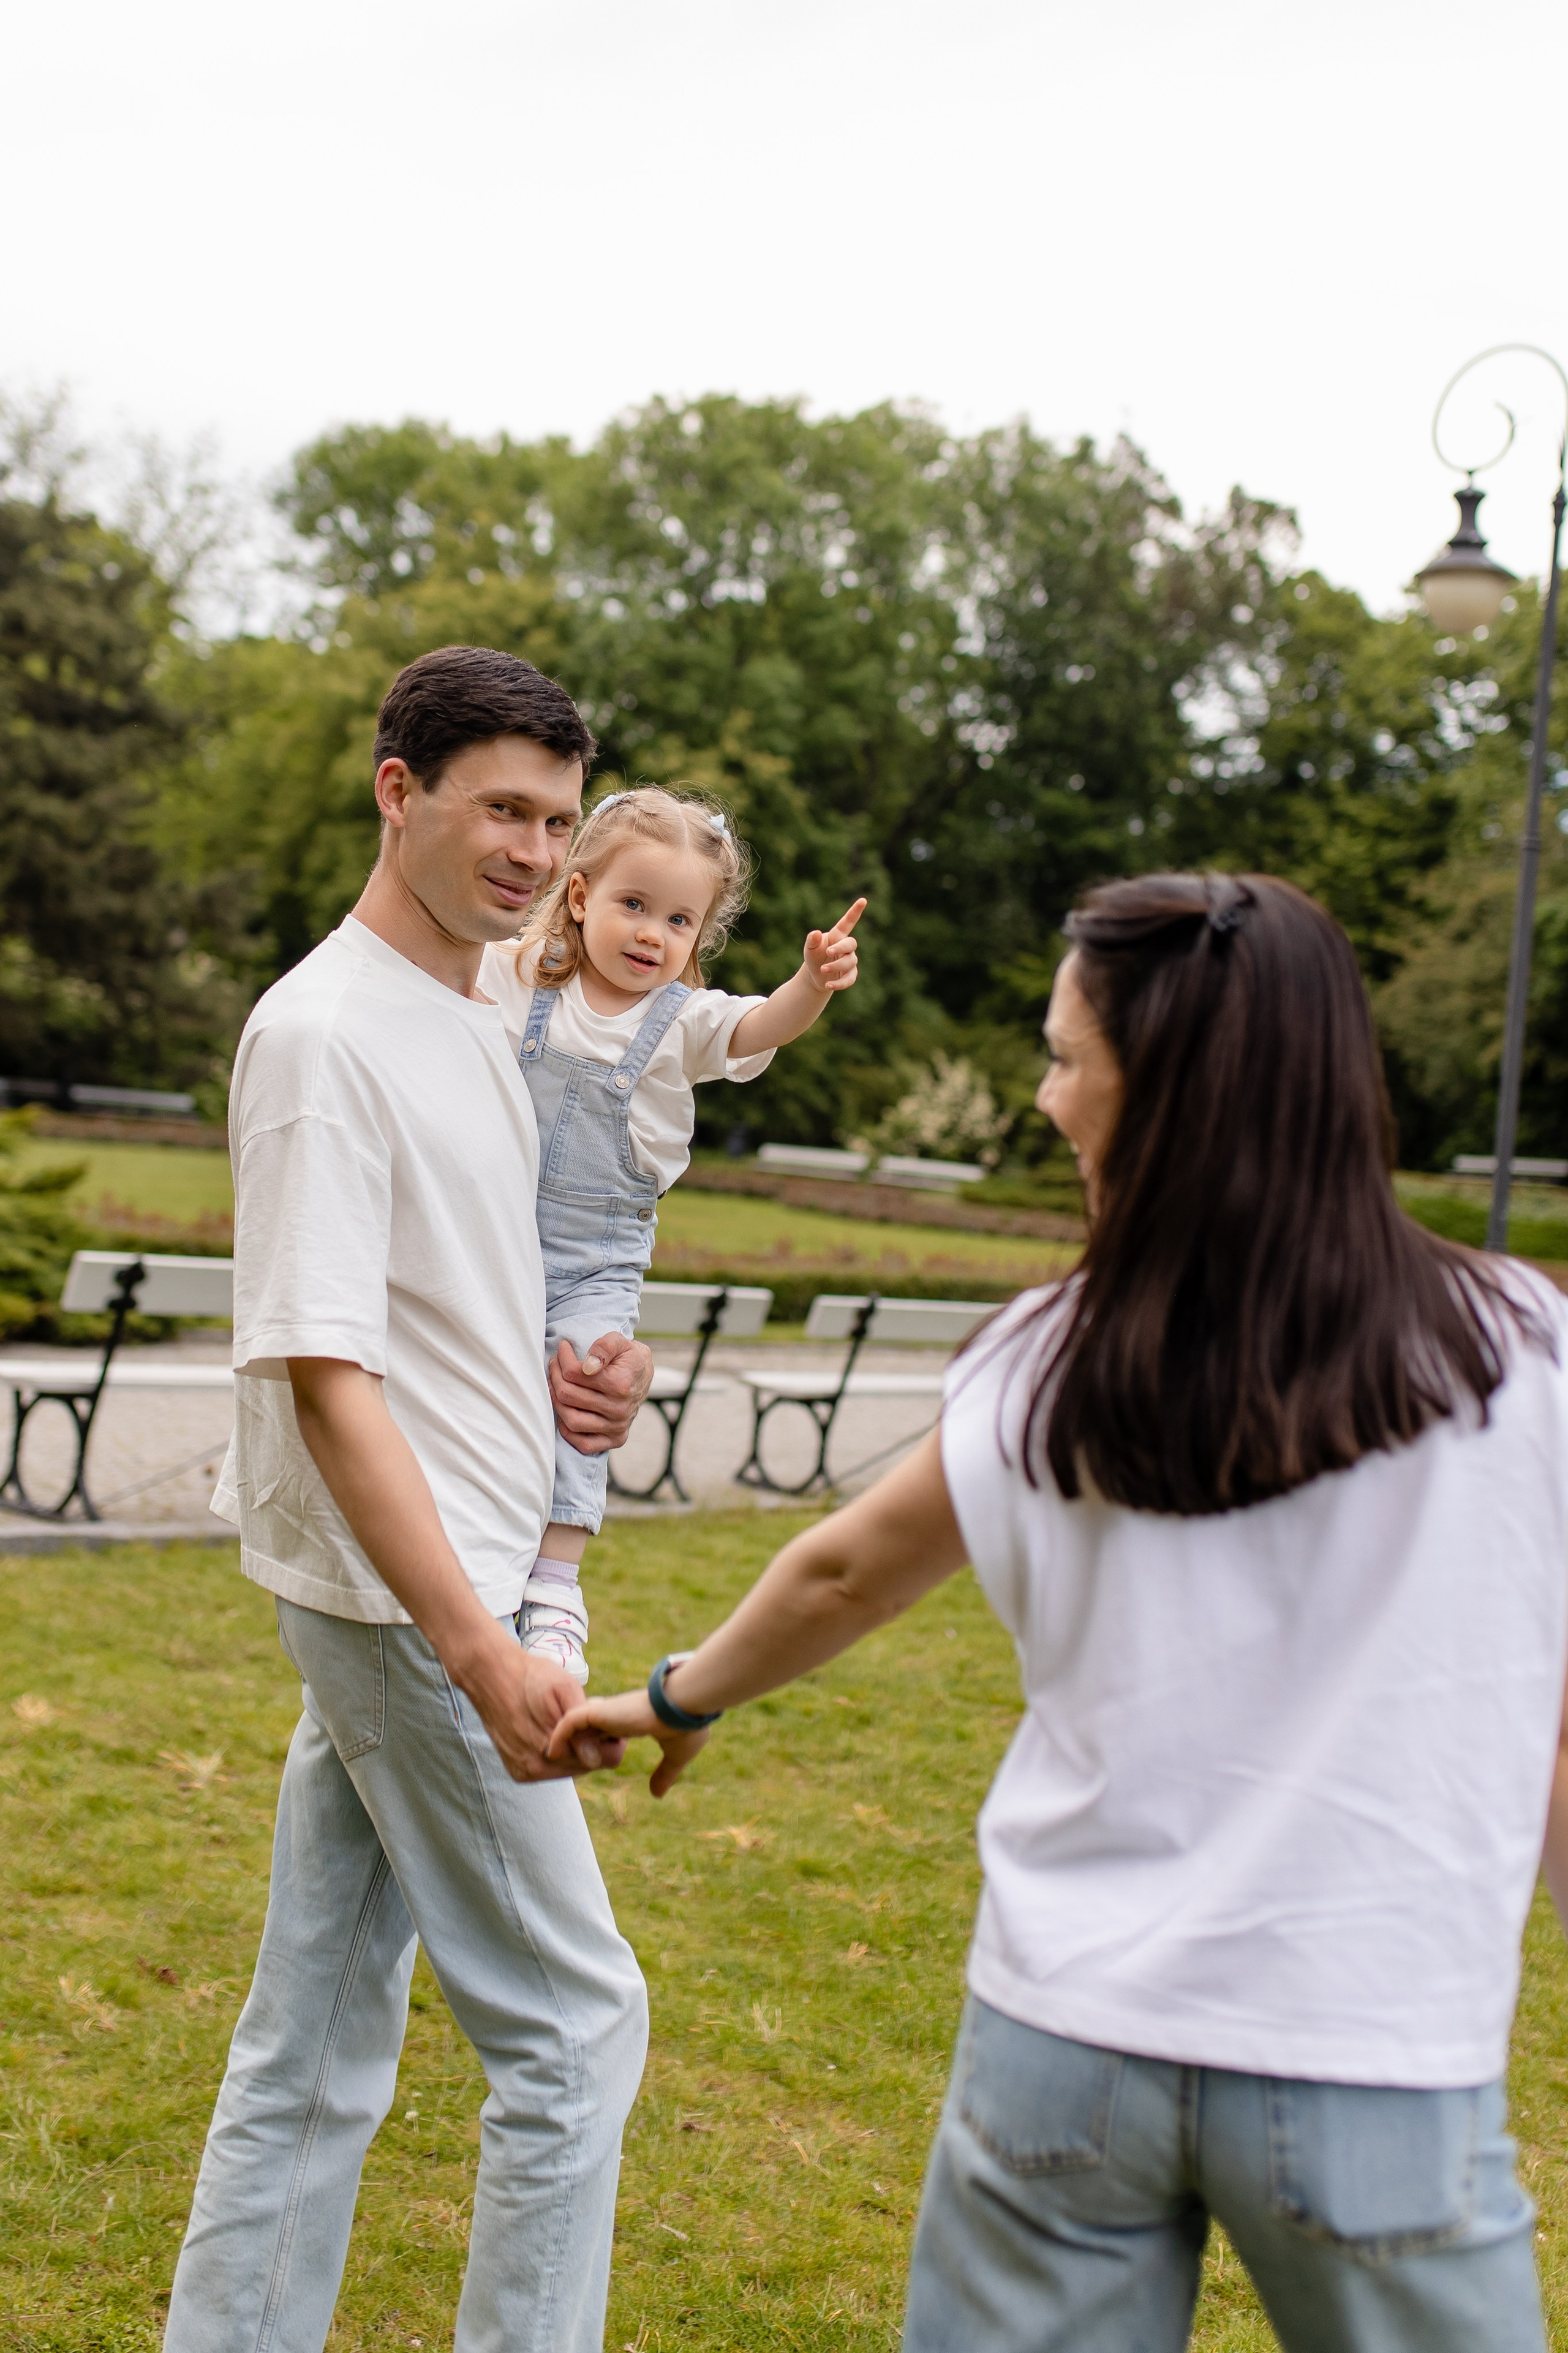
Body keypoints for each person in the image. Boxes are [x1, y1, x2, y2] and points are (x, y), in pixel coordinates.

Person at [557, 871, 1568, 2353]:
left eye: (1060, 1057)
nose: (1043, 1101)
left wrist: (679, 1697)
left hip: (1064, 2047)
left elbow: (847, 1570)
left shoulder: (1039, 1358)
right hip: (1367, 2057)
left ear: (1154, 1097)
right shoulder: (1522, 1352)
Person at [165, 646, 650, 2353]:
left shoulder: (474, 1007)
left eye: (558, 820)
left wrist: (573, 1377)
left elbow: (455, 1293)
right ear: (400, 791)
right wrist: (478, 1646)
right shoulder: (319, 1036)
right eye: (501, 810)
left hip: (451, 1579)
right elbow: (325, 1369)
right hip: (408, 1601)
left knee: (312, 2037)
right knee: (578, 2027)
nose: (533, 853)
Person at [478, 784, 864, 1682]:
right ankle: (483, 1553)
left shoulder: (682, 1022)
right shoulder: (523, 974)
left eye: (681, 920)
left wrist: (810, 984)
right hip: (494, 1232)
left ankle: (557, 1584)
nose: (654, 934)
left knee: (584, 1381)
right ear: (580, 897)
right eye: (634, 905)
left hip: (596, 1257)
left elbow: (763, 1024)